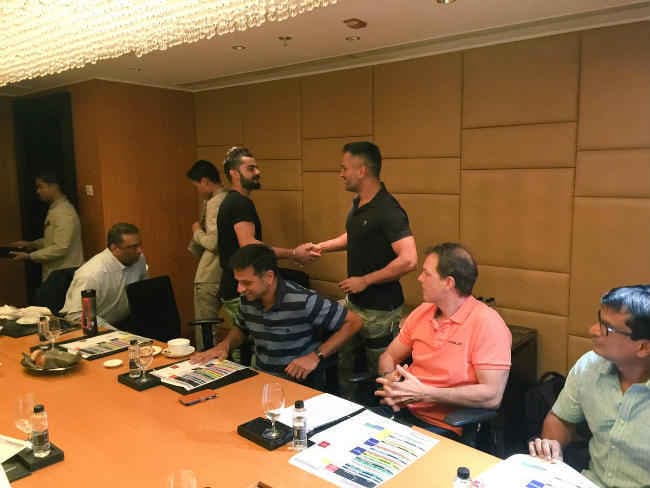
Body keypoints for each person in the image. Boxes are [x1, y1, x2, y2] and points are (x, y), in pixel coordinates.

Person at [308, 141, 417, 398]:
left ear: (362, 170)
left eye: (344, 168)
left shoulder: (388, 210)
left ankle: (381, 415)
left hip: (380, 310)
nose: (341, 174)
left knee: (380, 375)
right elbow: (355, 236)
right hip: (355, 304)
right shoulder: (359, 203)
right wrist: (321, 247)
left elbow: (409, 259)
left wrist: (366, 280)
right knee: (346, 366)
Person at [375, 243, 511, 438]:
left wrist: (425, 393)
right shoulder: (422, 311)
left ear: (448, 283)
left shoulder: (487, 323)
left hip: (444, 425)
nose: (419, 278)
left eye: (426, 274)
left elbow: (492, 396)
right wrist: (390, 381)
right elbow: (388, 356)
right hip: (400, 411)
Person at [191, 244, 363, 390]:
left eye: (247, 282)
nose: (239, 289)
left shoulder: (303, 300)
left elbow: (354, 322)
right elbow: (241, 328)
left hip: (297, 385)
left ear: (268, 277)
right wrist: (224, 345)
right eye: (238, 281)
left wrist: (315, 356)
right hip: (261, 378)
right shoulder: (248, 298)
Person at [529, 284, 650, 488]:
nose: (592, 330)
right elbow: (561, 418)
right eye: (599, 320)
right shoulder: (590, 366)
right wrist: (552, 446)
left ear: (643, 347)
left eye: (607, 328)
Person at [217, 146, 318, 322]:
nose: (258, 172)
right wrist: (293, 253)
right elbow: (249, 245)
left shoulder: (234, 201)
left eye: (256, 167)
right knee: (251, 337)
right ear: (234, 173)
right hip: (241, 288)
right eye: (251, 169)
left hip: (235, 286)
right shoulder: (240, 203)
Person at [59, 223, 146, 328]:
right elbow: (78, 315)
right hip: (94, 327)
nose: (139, 251)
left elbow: (142, 291)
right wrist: (116, 333)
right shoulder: (92, 274)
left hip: (125, 322)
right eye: (133, 247)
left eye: (139, 245)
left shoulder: (138, 259)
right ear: (114, 248)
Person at [10, 171, 83, 282]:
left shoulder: (63, 212)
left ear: (54, 186)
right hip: (57, 272)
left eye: (41, 187)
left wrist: (30, 256)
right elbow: (53, 240)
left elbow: (61, 247)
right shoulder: (55, 209)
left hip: (63, 273)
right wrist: (32, 244)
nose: (38, 191)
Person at [186, 160, 226, 324]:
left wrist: (197, 231)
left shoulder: (215, 203)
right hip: (224, 272)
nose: (198, 191)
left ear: (204, 181)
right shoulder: (229, 197)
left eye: (197, 186)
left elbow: (213, 243)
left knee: (205, 327)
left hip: (210, 273)